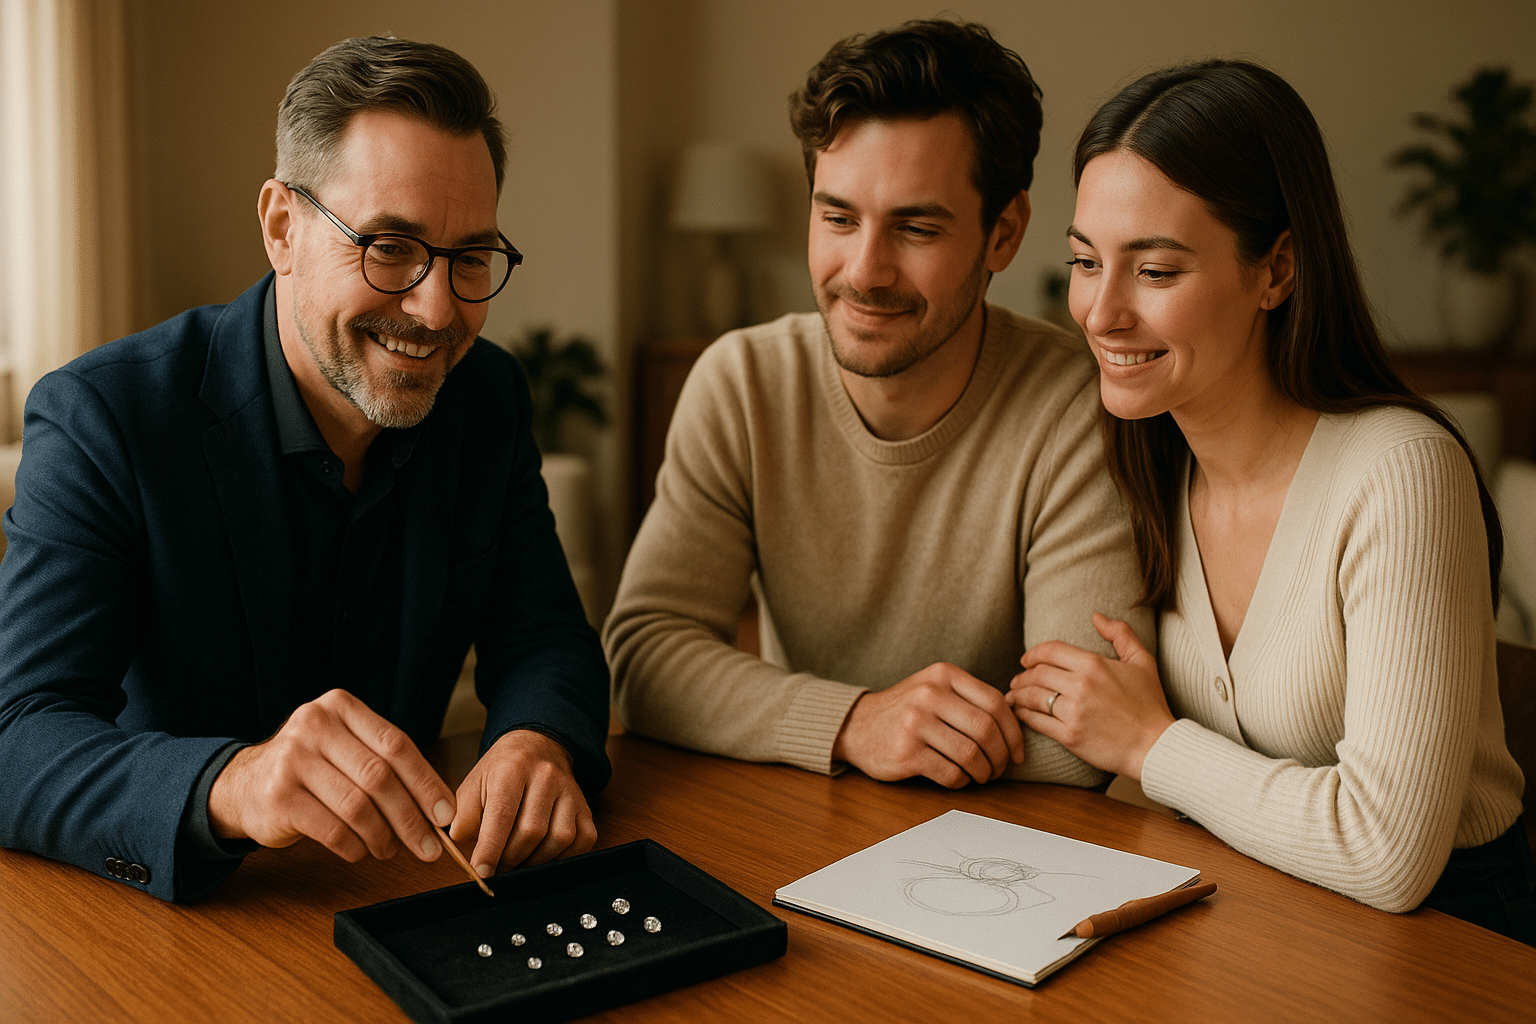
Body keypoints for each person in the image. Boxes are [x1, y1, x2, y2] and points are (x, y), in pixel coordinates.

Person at [0, 37, 610, 902]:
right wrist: (235, 782)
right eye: (390, 246)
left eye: (470, 258)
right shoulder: (105, 418)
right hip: (185, 930)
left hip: (409, 904)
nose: (436, 309)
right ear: (282, 227)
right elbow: (16, 736)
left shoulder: (488, 398)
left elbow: (545, 636)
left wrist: (534, 741)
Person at [1010, 59, 1534, 940]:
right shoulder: (1149, 460)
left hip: (1452, 943)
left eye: (1157, 271)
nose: (1099, 312)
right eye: (1084, 261)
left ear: (1277, 269)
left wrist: (1150, 743)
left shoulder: (1402, 473)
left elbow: (1387, 854)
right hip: (1257, 916)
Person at [604, 19, 1148, 789]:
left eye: (916, 227)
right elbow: (646, 658)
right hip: (799, 827)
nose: (864, 271)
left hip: (1004, 863)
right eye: (837, 217)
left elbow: (1079, 743)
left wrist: (793, 718)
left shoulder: (1080, 410)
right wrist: (855, 720)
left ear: (1005, 233)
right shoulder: (742, 383)